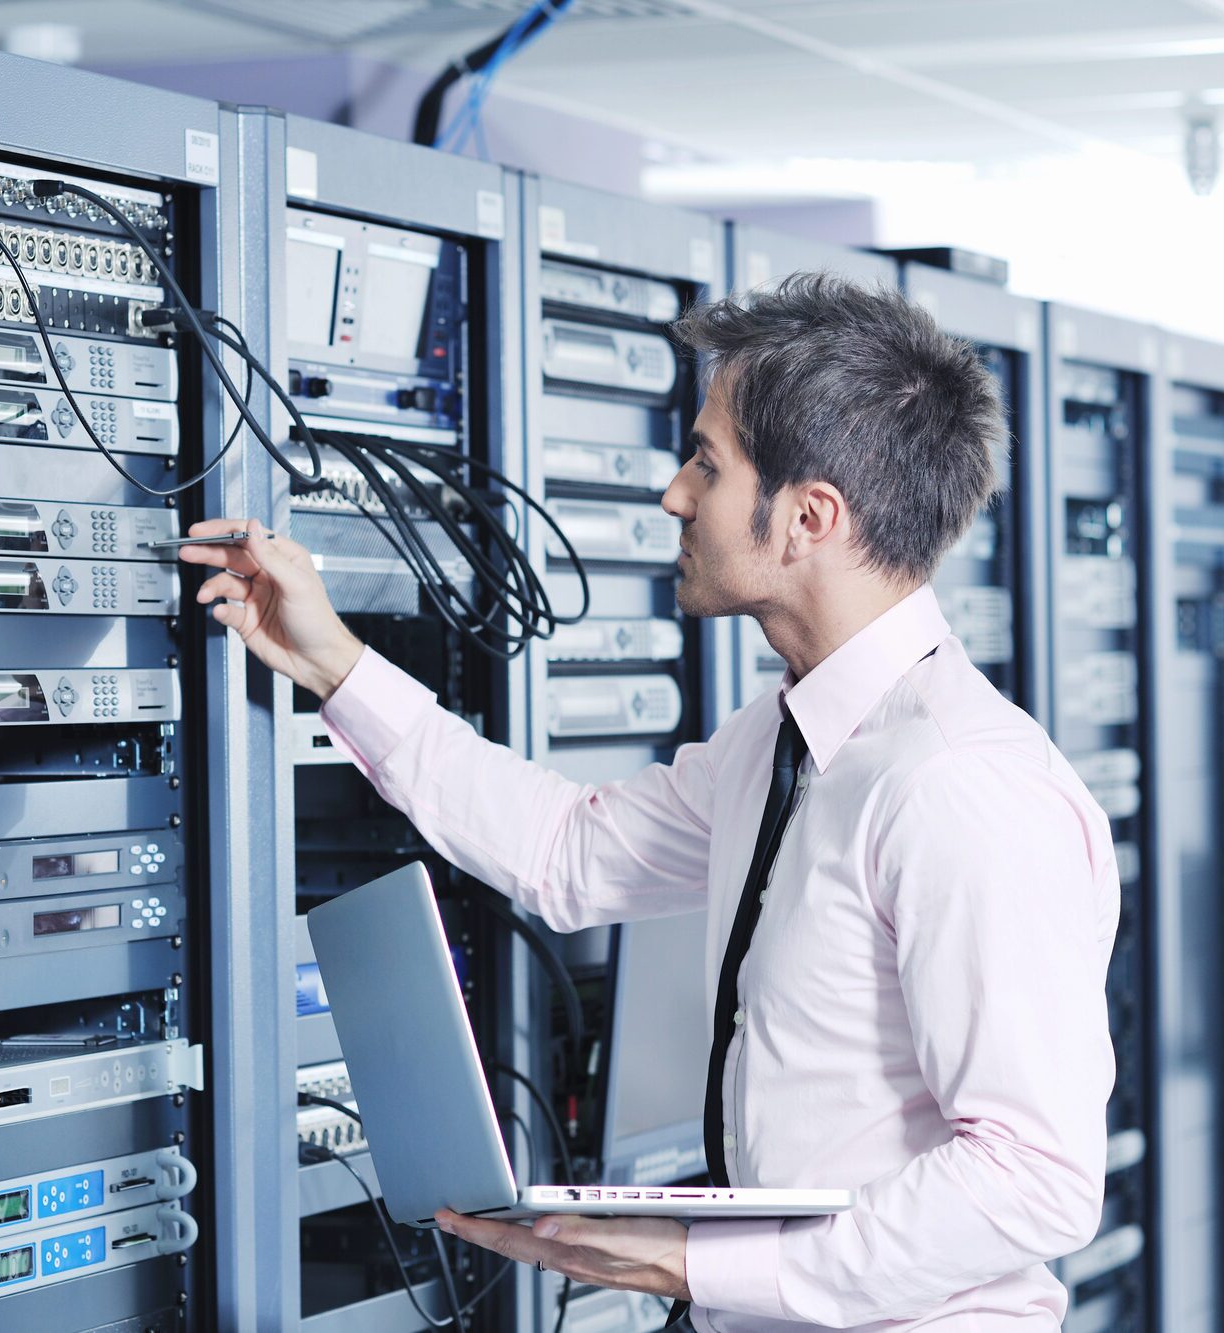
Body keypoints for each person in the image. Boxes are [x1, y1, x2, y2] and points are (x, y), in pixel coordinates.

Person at [179, 273, 1117, 1331]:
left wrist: (692, 1263)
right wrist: (334, 663)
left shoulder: (958, 785)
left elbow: (1032, 1176)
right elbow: (568, 852)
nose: (673, 494)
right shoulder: (783, 741)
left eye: (708, 464)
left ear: (808, 517)